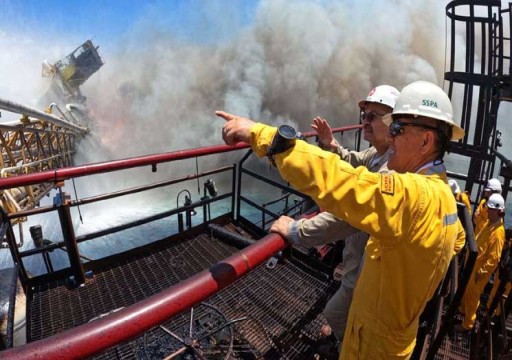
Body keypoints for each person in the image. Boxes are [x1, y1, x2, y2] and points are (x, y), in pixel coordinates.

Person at [217, 79, 465, 359]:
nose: (392, 137)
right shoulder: (445, 195)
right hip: (388, 336)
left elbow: (340, 182)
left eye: (397, 128)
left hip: (371, 347)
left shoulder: (413, 196)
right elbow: (456, 241)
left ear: (426, 141)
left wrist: (263, 136)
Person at [270, 85, 399, 341]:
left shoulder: (392, 169)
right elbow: (353, 161)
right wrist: (332, 145)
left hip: (368, 265)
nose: (365, 122)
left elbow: (346, 217)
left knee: (335, 313)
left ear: (393, 122)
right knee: (349, 308)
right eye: (364, 116)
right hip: (358, 257)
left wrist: (296, 231)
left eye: (373, 116)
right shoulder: (378, 153)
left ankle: (349, 348)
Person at [456, 193, 506, 332]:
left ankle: (467, 324)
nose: (487, 211)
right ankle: (463, 310)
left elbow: (494, 258)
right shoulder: (490, 224)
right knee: (467, 289)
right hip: (473, 267)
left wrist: (481, 272)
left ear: (498, 211)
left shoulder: (498, 233)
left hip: (479, 272)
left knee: (473, 295)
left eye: (490, 209)